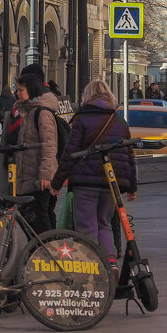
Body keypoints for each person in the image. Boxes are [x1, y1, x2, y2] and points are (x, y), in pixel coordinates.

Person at [50, 80, 136, 267]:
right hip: (111, 183)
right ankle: (110, 263)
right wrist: (132, 186)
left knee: (87, 227)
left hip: (85, 182)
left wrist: (56, 183)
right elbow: (129, 155)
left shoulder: (82, 119)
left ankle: (94, 269)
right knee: (104, 224)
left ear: (87, 96)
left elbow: (69, 154)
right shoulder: (119, 121)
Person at [8, 70, 59, 233]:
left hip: (39, 177)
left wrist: (45, 174)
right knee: (32, 217)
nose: (17, 93)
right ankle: (40, 251)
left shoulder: (42, 112)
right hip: (29, 175)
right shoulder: (30, 111)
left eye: (21, 90)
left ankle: (46, 253)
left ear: (31, 89)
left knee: (40, 218)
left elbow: (49, 145)